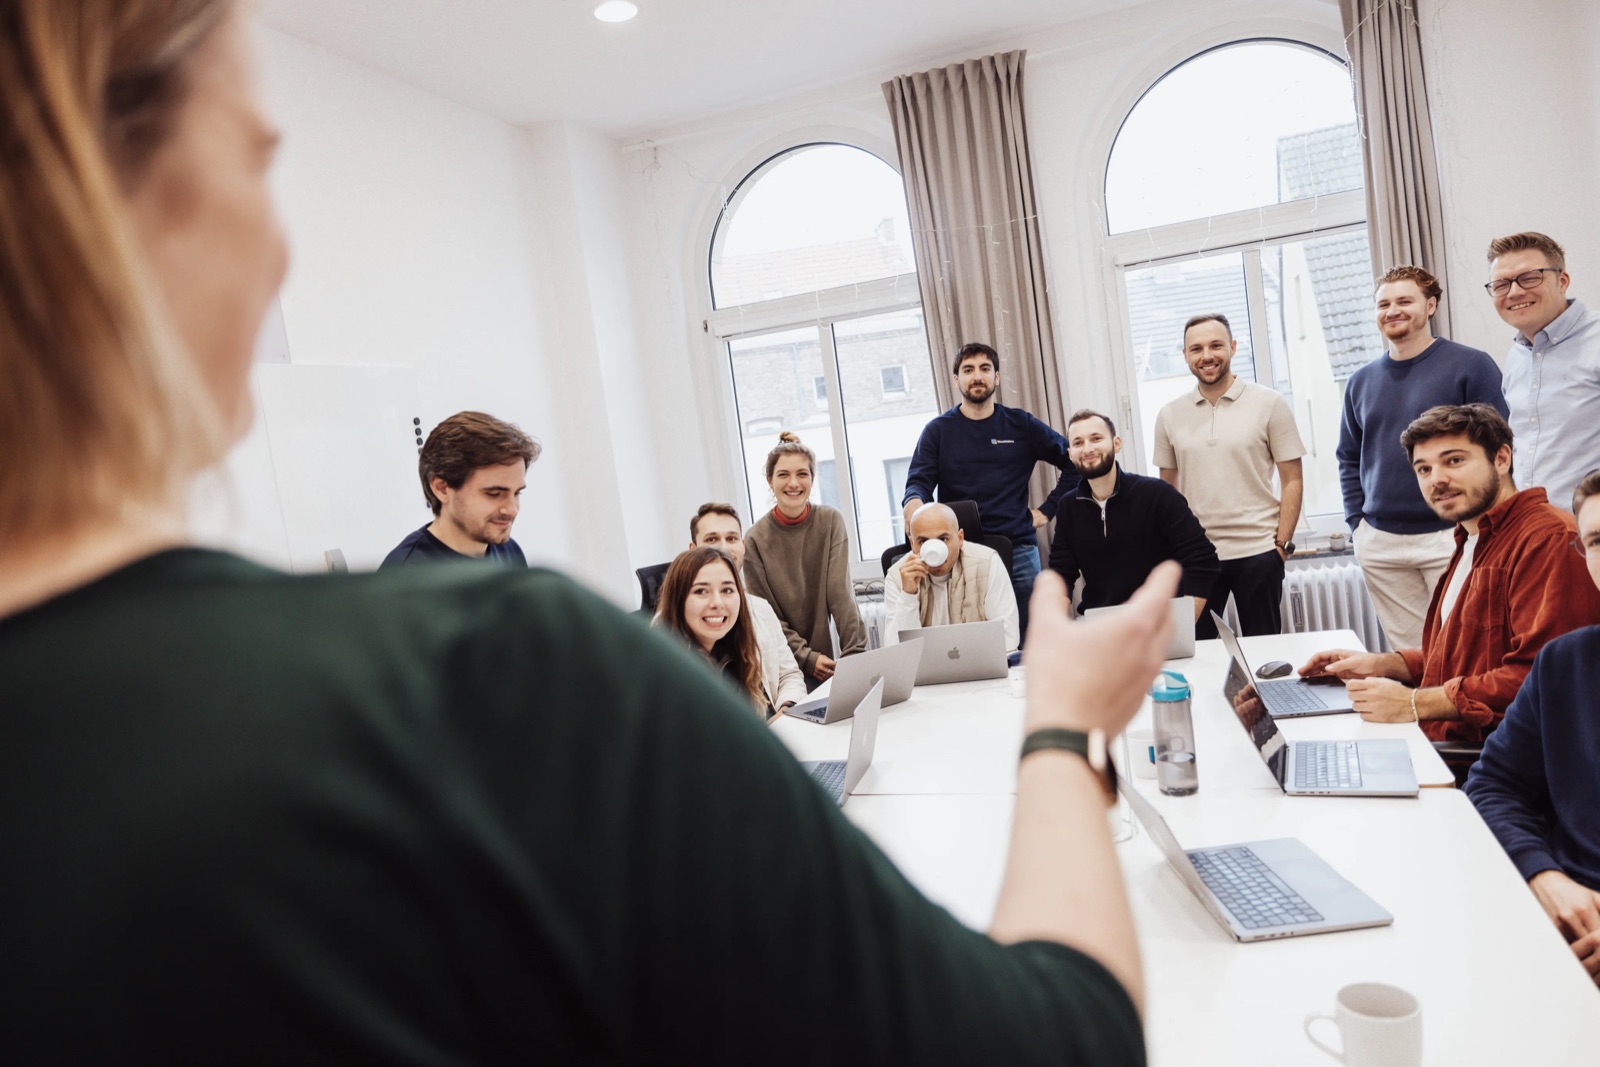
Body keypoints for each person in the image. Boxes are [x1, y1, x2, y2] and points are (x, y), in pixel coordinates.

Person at [0, 2, 1187, 1060]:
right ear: (106, 195)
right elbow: (1055, 1036)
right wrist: (1066, 731)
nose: (281, 246)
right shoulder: (497, 671)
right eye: (260, 158)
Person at [1299, 405, 1600, 745]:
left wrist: (1413, 703)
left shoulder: (1547, 540)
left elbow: (1542, 676)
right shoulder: (1470, 537)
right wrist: (1382, 665)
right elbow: (1466, 655)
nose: (1436, 479)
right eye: (1423, 469)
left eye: (1454, 461)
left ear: (1501, 459)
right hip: (1442, 740)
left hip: (1484, 758)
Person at [1466, 469, 1600, 986]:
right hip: (1559, 920)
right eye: (1596, 541)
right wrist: (1543, 875)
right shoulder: (1565, 662)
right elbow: (1495, 782)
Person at [1338, 266, 1508, 649]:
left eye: (1404, 301)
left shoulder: (1471, 365)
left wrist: (1483, 523)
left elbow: (1500, 446)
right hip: (1380, 542)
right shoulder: (1360, 381)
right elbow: (1348, 458)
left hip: (1454, 535)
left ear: (1430, 305)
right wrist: (1357, 526)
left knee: (1469, 650)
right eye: (1383, 303)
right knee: (1412, 658)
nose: (1392, 310)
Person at [901, 342, 1079, 629]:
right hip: (960, 550)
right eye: (968, 370)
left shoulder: (1020, 424)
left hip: (1018, 549)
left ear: (996, 376)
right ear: (956, 379)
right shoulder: (938, 430)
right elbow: (919, 480)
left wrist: (1047, 510)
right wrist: (914, 503)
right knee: (969, 638)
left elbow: (1074, 462)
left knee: (1031, 637)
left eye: (985, 369)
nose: (977, 377)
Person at [1154, 314, 1305, 638]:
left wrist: (1282, 547)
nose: (1206, 355)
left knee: (1265, 655)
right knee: (1199, 654)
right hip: (1197, 557)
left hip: (1259, 551)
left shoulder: (1269, 403)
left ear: (1233, 348)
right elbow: (1168, 490)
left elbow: (1292, 478)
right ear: (1185, 355)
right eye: (1196, 348)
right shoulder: (1169, 415)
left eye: (1215, 345)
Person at [1048, 409, 1218, 618]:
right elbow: (1060, 576)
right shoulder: (1068, 507)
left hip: (1158, 622)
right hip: (1101, 625)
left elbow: (1203, 560)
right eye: (1078, 443)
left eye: (1096, 438)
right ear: (1070, 454)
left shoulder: (1157, 495)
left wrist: (1183, 625)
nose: (1088, 448)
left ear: (1116, 443)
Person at [742, 432, 867, 689]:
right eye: (783, 474)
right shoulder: (754, 539)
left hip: (828, 666)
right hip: (782, 667)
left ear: (812, 478)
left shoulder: (830, 521)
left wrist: (856, 657)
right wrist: (808, 658)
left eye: (802, 474)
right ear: (769, 480)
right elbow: (768, 617)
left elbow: (841, 596)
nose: (794, 483)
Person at [1487, 232, 1600, 514]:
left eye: (1529, 277)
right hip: (1538, 532)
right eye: (1501, 284)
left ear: (1562, 281)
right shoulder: (1517, 357)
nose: (1514, 292)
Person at [687, 503, 805, 715]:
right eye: (711, 539)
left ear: (742, 545)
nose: (723, 548)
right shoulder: (673, 622)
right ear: (693, 550)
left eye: (731, 539)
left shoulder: (761, 608)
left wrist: (785, 712)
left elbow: (790, 675)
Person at [654, 547, 798, 720]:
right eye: (701, 591)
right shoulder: (666, 671)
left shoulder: (734, 649)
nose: (717, 603)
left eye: (727, 590)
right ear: (678, 601)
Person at [380, 410, 539, 567]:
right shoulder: (406, 575)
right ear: (441, 489)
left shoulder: (510, 552)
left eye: (517, 493)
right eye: (494, 494)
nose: (512, 510)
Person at [884, 503, 1020, 651]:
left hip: (979, 671)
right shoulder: (897, 576)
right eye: (923, 542)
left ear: (960, 538)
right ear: (912, 543)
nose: (933, 550)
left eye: (943, 539)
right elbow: (896, 652)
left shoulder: (987, 563)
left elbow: (1009, 637)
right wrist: (908, 596)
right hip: (927, 674)